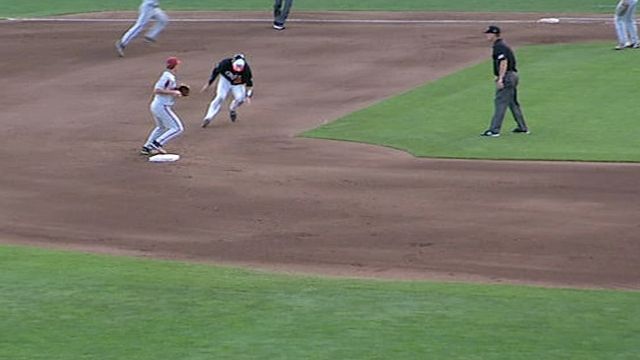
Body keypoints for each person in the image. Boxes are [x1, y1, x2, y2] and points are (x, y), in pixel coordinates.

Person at [481, 25, 529, 137]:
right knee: (512, 103)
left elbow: (503, 62)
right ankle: (522, 127)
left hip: (507, 76)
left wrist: (500, 78)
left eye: (488, 33)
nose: (487, 35)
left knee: (500, 103)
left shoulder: (499, 46)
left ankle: (494, 130)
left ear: (494, 34)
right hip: (512, 76)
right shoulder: (501, 45)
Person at [141, 57, 184, 155]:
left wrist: (176, 91)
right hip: (162, 106)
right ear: (175, 66)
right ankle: (157, 143)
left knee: (161, 127)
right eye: (177, 64)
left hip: (157, 105)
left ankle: (147, 147)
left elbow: (165, 89)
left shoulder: (169, 76)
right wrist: (174, 91)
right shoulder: (167, 77)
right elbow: (157, 90)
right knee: (178, 128)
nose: (178, 66)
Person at [200, 54, 254, 128]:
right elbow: (216, 72)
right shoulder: (225, 63)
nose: (238, 69)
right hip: (225, 81)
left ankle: (233, 109)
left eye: (240, 67)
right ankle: (208, 117)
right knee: (220, 97)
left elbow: (250, 85)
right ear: (233, 62)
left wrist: (248, 95)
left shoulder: (246, 70)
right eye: (237, 66)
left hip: (238, 84)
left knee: (240, 98)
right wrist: (209, 83)